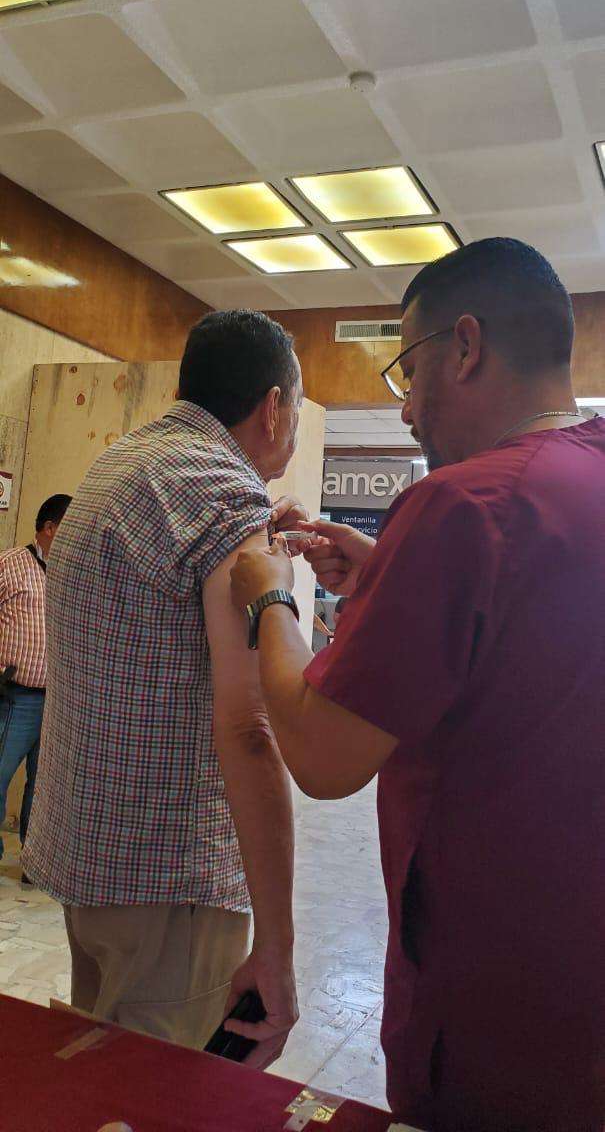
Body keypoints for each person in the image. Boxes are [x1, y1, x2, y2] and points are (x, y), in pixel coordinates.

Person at [229, 239, 605, 1132]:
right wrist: (386, 581)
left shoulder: (462, 503)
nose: (403, 408)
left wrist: (271, 600)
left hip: (495, 995)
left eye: (407, 369)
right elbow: (530, 629)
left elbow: (322, 757)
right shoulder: (581, 472)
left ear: (463, 346)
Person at [24, 310, 306, 1067]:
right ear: (272, 407)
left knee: (104, 1071)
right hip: (170, 880)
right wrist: (278, 948)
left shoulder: (120, 466)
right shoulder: (225, 500)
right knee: (163, 1091)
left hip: (92, 855)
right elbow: (249, 729)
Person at [0, 494, 71, 880]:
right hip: (16, 697)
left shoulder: (74, 572)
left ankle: (35, 863)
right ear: (49, 528)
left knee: (44, 787)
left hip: (59, 700)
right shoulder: (10, 564)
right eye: (68, 528)